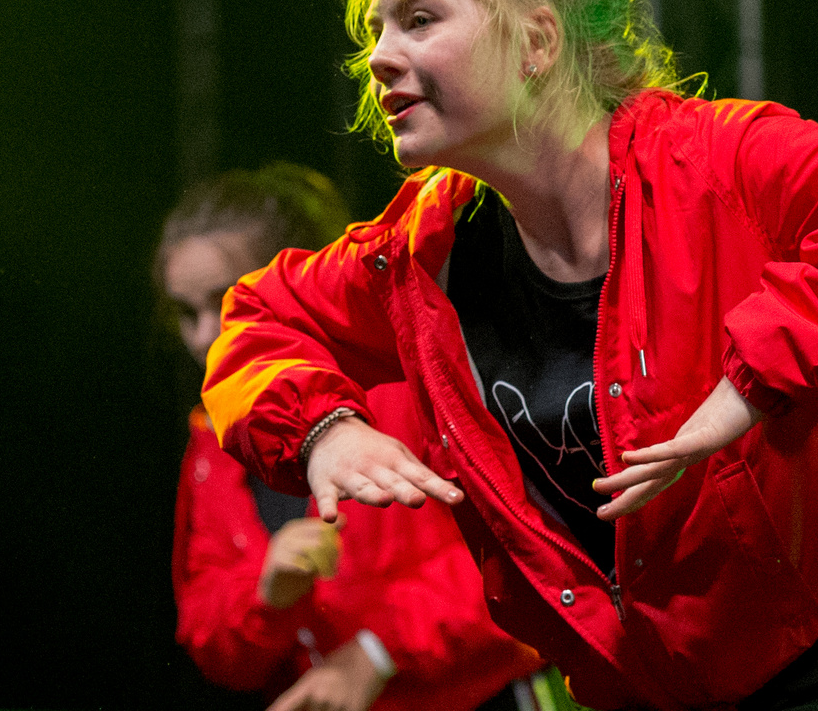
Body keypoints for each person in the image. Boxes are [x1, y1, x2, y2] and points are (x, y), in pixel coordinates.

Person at [200, 0, 818, 711]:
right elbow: (260, 317)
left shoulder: (715, 164)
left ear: (537, 41)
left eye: (419, 18)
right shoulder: (422, 254)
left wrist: (755, 375)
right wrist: (323, 432)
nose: (377, 56)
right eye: (374, 29)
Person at [159, 162, 551, 711]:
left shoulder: (407, 380)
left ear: (294, 284)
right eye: (185, 312)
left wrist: (376, 650)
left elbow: (531, 554)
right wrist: (266, 596)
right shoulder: (214, 438)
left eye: (227, 301)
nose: (205, 338)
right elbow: (210, 639)